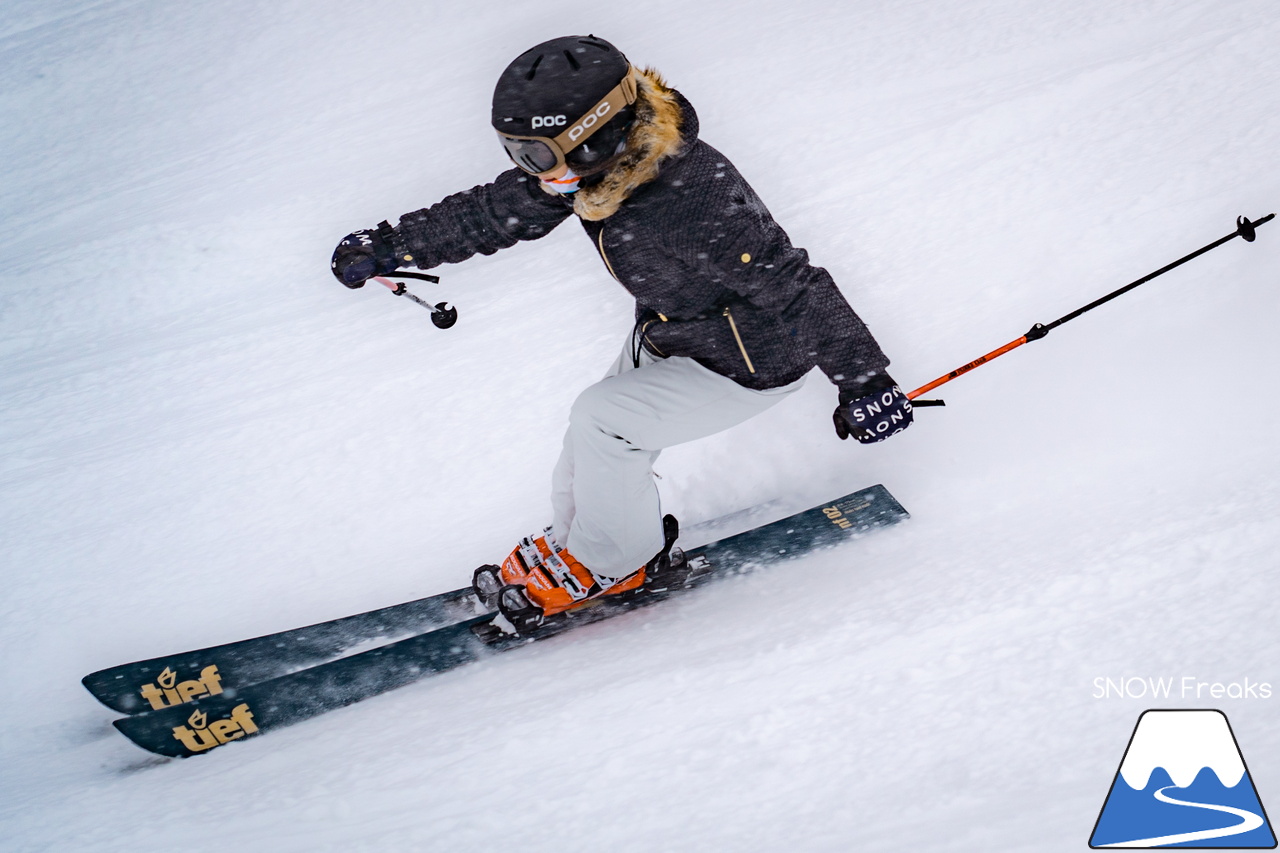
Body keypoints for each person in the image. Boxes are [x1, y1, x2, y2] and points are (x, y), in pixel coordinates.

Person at [331, 35, 912, 630]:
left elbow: (793, 283)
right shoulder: (595, 173)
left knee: (606, 422)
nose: (529, 171)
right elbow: (492, 213)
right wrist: (393, 245)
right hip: (677, 336)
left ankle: (615, 561)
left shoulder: (693, 200)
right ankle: (574, 544)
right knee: (588, 442)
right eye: (516, 152)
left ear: (595, 136)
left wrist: (864, 381)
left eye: (534, 155)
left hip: (752, 359)